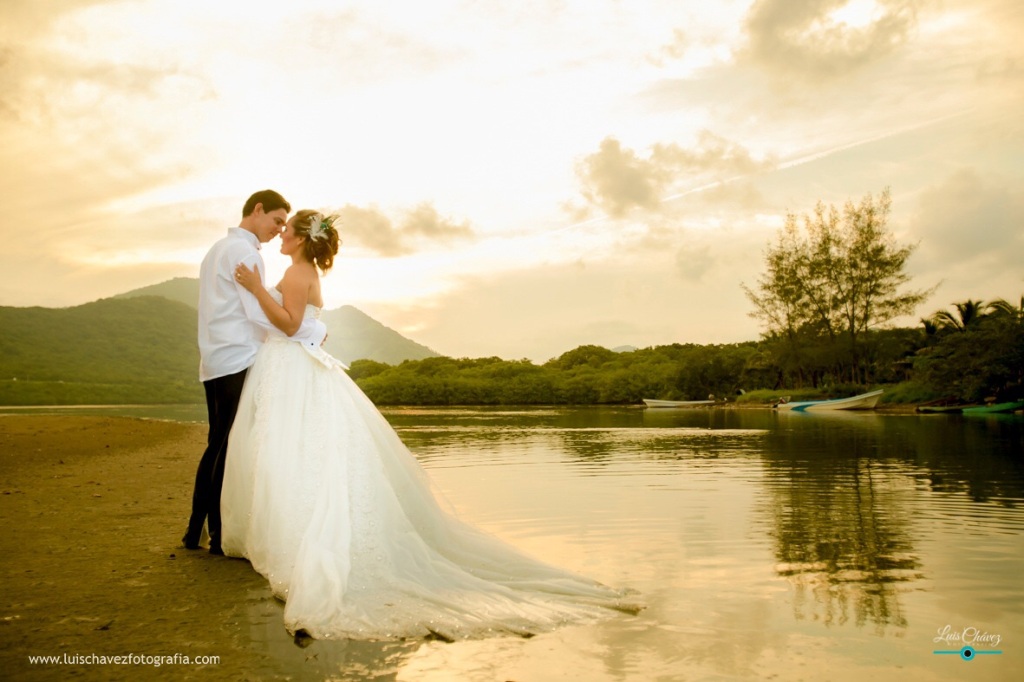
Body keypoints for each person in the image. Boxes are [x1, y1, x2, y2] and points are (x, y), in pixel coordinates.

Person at [223, 209, 639, 640]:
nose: (281, 235)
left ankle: (296, 539)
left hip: (292, 367)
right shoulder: (304, 271)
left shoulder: (295, 272)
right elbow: (307, 322)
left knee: (291, 451)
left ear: (302, 239)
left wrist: (255, 289)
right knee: (304, 453)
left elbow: (290, 324)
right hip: (298, 366)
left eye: (287, 230)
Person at [184, 190, 328, 556]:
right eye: (277, 221)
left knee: (217, 441)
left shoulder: (217, 249)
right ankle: (216, 534)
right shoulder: (246, 254)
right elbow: (258, 314)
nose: (278, 230)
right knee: (227, 445)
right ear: (258, 210)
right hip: (239, 356)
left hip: (215, 356)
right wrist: (312, 332)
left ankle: (194, 530)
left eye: (285, 225)